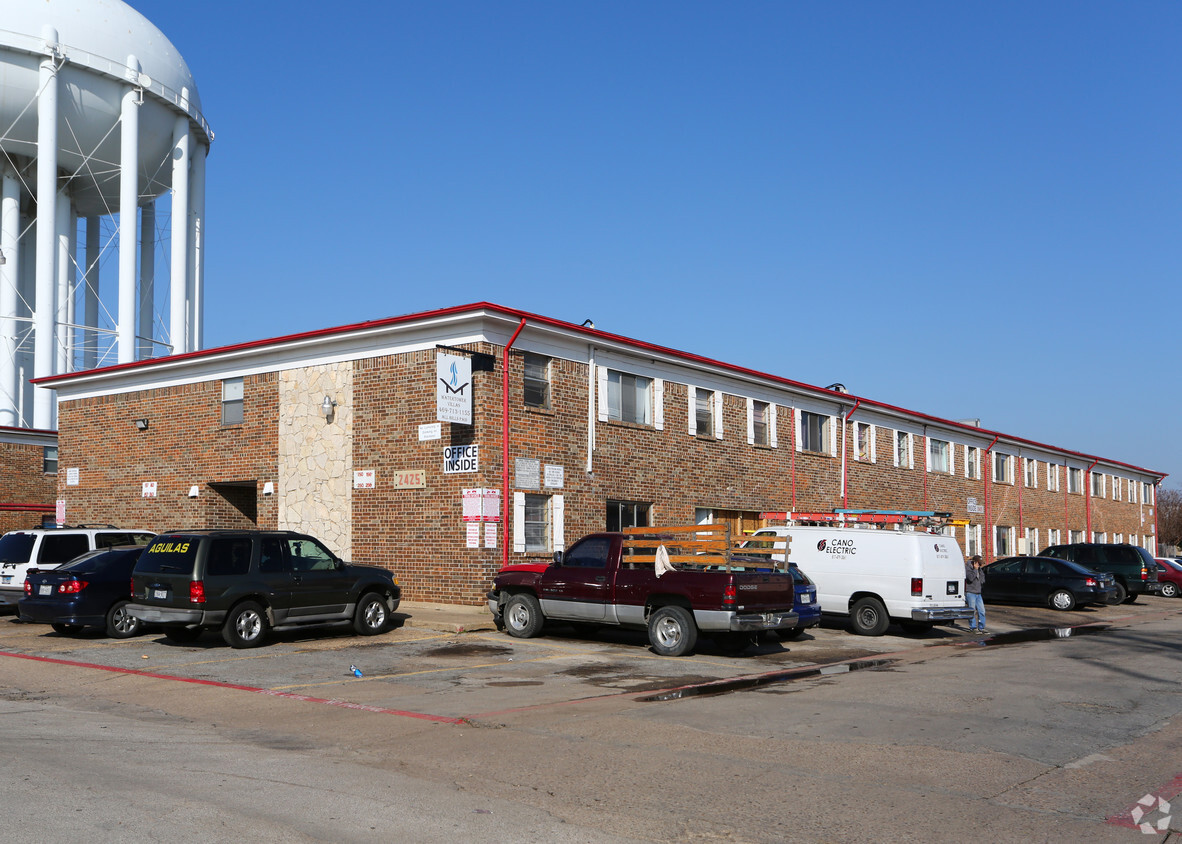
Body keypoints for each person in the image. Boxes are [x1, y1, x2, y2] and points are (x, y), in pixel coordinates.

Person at [964, 554, 986, 633]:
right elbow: (970, 578)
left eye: (980, 563)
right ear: (974, 562)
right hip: (970, 592)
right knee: (972, 611)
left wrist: (981, 580)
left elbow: (983, 577)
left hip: (978, 593)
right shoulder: (968, 568)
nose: (979, 565)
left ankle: (981, 627)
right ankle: (972, 627)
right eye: (978, 563)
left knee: (982, 611)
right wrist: (975, 569)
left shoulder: (980, 569)